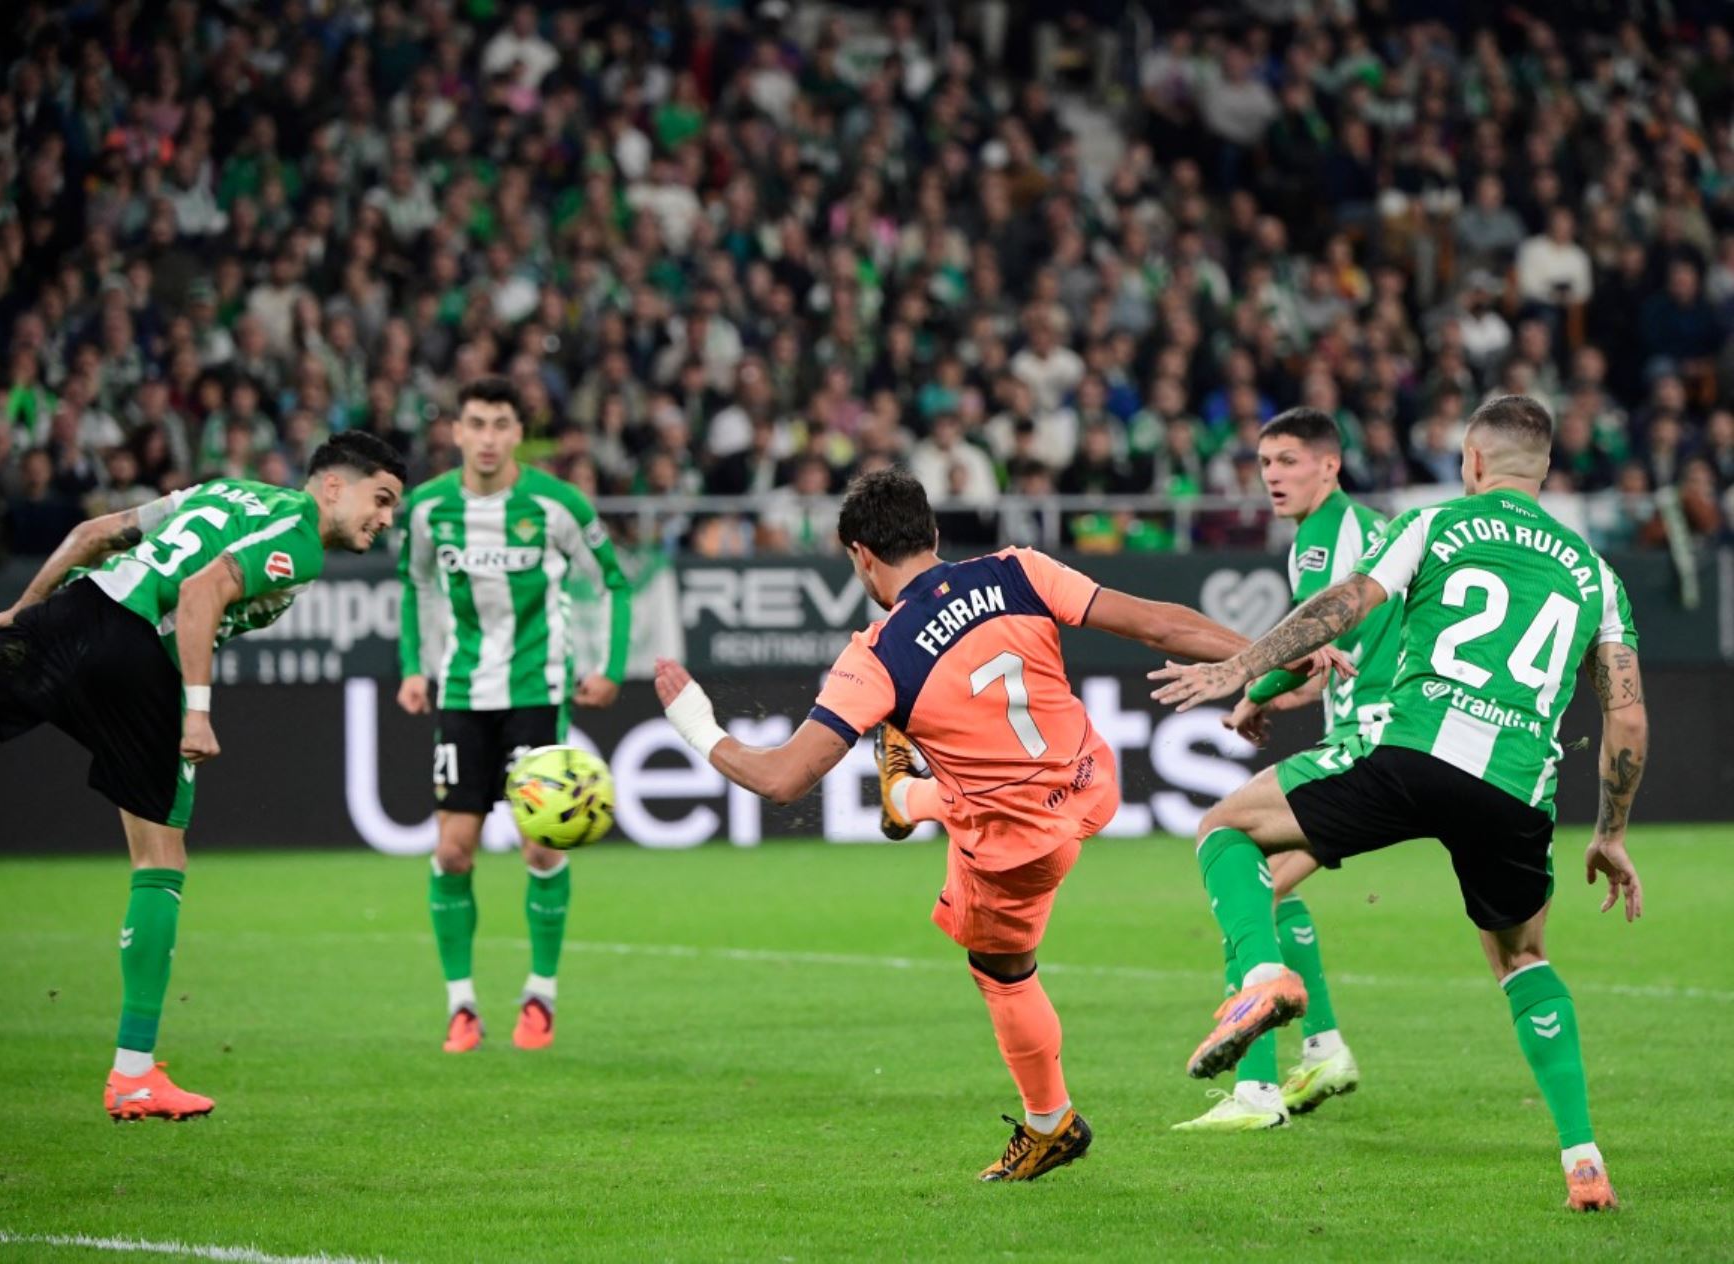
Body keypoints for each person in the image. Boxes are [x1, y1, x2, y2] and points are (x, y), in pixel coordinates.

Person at [655, 468, 1289, 1182]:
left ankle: (1050, 1124)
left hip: (1014, 844)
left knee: (1001, 969)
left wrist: (695, 724)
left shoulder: (876, 654)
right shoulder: (1018, 569)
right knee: (967, 800)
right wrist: (1274, 656)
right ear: (931, 532)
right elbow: (1159, 624)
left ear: (860, 556)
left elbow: (781, 779)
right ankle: (910, 795)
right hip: (1089, 780)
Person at [1150, 395, 1645, 1211]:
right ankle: (1583, 1161)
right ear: (1545, 471)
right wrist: (1612, 832)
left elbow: (1342, 608)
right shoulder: (1597, 572)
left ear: (1474, 462)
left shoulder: (1433, 524)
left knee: (1225, 828)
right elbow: (1625, 712)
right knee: (1523, 960)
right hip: (1516, 788)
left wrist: (1240, 671)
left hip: (1408, 753)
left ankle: (1267, 976)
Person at [0, 432, 406, 1120]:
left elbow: (96, 533)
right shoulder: (299, 541)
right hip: (137, 659)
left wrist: (26, 610)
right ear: (333, 485)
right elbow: (199, 593)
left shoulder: (221, 491)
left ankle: (137, 1074)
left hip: (78, 609)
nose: (386, 518)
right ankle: (132, 1075)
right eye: (382, 498)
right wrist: (197, 712)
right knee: (161, 858)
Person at [1171, 407, 1400, 1132]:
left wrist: (1250, 689)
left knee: (1228, 850)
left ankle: (1258, 1093)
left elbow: (1314, 645)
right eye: (1264, 463)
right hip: (1397, 738)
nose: (1271, 476)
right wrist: (1265, 694)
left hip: (1374, 742)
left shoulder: (1328, 539)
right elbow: (1326, 668)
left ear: (1329, 466)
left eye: (1288, 461)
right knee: (1265, 895)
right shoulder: (1346, 533)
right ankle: (1325, 1049)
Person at [396, 377, 631, 1054]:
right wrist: (413, 666)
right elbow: (413, 585)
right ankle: (461, 1006)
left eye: (502, 423)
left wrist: (610, 670)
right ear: (457, 432)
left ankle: (541, 996)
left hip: (537, 688)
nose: (490, 437)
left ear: (518, 434)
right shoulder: (427, 508)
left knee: (539, 844)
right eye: (477, 423)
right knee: (452, 850)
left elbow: (614, 580)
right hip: (464, 692)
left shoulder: (557, 505)